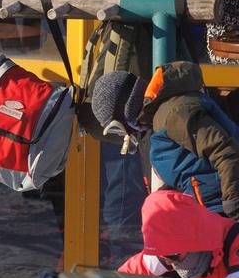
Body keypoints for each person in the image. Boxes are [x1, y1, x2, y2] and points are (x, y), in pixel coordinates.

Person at [92, 65, 239, 216]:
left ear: (127, 109)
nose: (124, 135)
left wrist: (232, 206)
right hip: (215, 213)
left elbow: (225, 151)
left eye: (116, 128)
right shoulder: (160, 121)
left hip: (224, 211)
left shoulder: (173, 115)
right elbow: (191, 170)